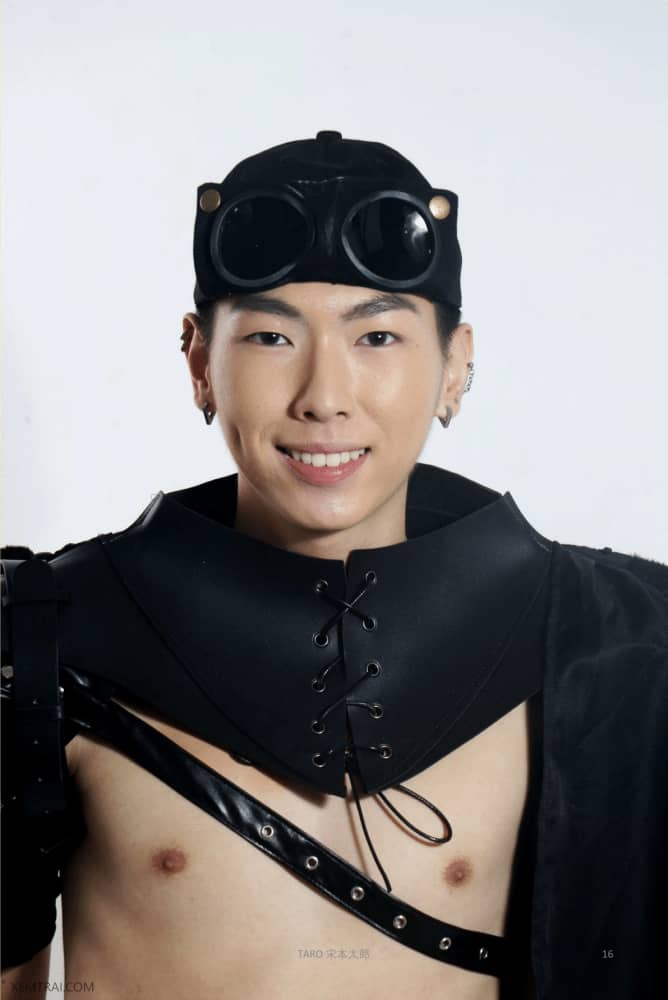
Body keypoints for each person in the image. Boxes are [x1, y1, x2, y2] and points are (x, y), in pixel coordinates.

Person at [2, 131, 666, 1000]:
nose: (324, 396)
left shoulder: (616, 640)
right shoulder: (41, 641)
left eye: (378, 336)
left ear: (455, 365)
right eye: (271, 337)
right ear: (200, 362)